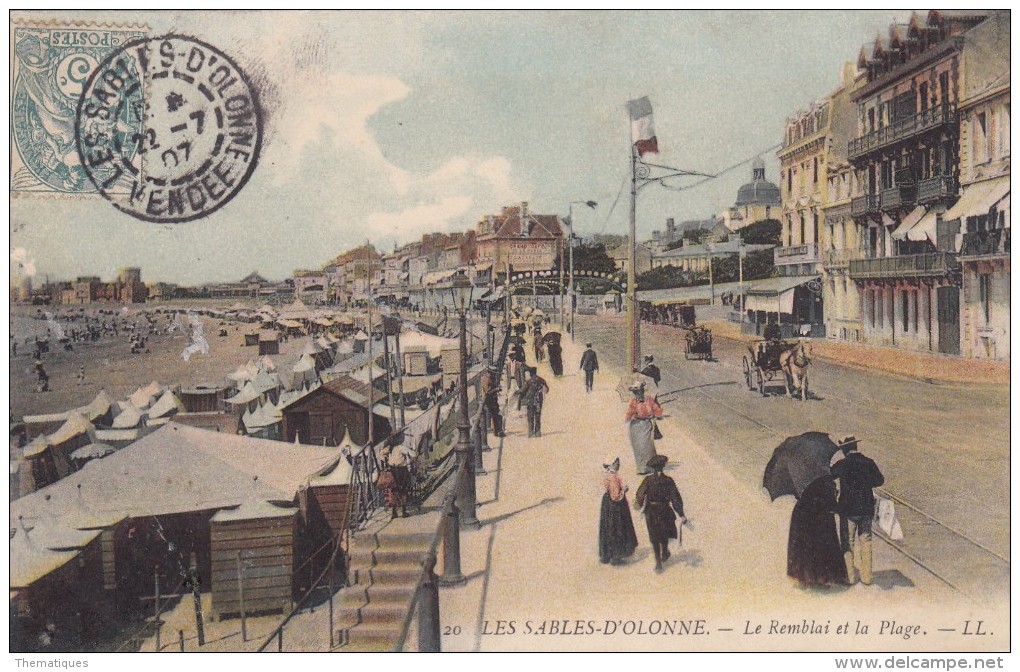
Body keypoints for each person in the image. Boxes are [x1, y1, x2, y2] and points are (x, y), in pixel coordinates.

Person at [831, 435, 885, 585]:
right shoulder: (868, 462)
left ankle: (849, 577)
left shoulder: (842, 464)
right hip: (866, 508)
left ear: (844, 449)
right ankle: (867, 578)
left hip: (848, 509)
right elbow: (879, 480)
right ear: (856, 446)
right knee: (866, 541)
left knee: (847, 542)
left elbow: (829, 475)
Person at [787, 475, 848, 587]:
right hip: (820, 518)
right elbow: (832, 506)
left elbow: (798, 495)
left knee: (805, 548)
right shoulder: (826, 482)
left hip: (801, 516)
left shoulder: (802, 478)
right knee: (820, 548)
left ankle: (805, 577)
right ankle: (820, 579)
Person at [634, 455, 686, 572]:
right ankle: (664, 553)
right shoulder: (668, 480)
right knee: (664, 533)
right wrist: (681, 514)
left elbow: (640, 494)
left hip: (651, 511)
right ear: (663, 466)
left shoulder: (648, 480)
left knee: (654, 536)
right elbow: (675, 498)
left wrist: (639, 504)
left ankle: (658, 563)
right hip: (664, 510)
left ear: (652, 468)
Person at [598, 456, 638, 565]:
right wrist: (624, 490)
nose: (618, 464)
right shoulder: (614, 477)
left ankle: (606, 555)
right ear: (612, 464)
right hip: (615, 507)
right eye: (617, 463)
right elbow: (616, 496)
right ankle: (616, 556)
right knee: (617, 528)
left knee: (608, 528)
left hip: (607, 504)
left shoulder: (607, 475)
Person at [625, 382, 662, 475]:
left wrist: (655, 415)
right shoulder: (633, 402)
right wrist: (634, 415)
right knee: (639, 447)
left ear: (642, 391)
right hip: (636, 427)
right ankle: (641, 468)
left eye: (640, 391)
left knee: (648, 446)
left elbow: (658, 411)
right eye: (637, 392)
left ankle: (651, 466)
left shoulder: (649, 400)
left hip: (646, 426)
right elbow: (628, 416)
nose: (639, 394)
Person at [518, 366, 549, 438]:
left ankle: (531, 433)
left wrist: (519, 394)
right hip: (538, 401)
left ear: (531, 373)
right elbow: (547, 389)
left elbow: (523, 390)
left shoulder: (529, 381)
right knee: (537, 416)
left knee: (530, 416)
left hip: (530, 401)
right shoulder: (541, 380)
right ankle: (538, 433)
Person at [480, 364, 505, 437]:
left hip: (492, 399)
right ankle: (498, 431)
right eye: (493, 373)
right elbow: (487, 392)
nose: (494, 375)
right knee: (497, 415)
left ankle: (497, 431)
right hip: (489, 400)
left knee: (496, 415)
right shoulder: (486, 379)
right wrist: (496, 389)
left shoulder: (489, 378)